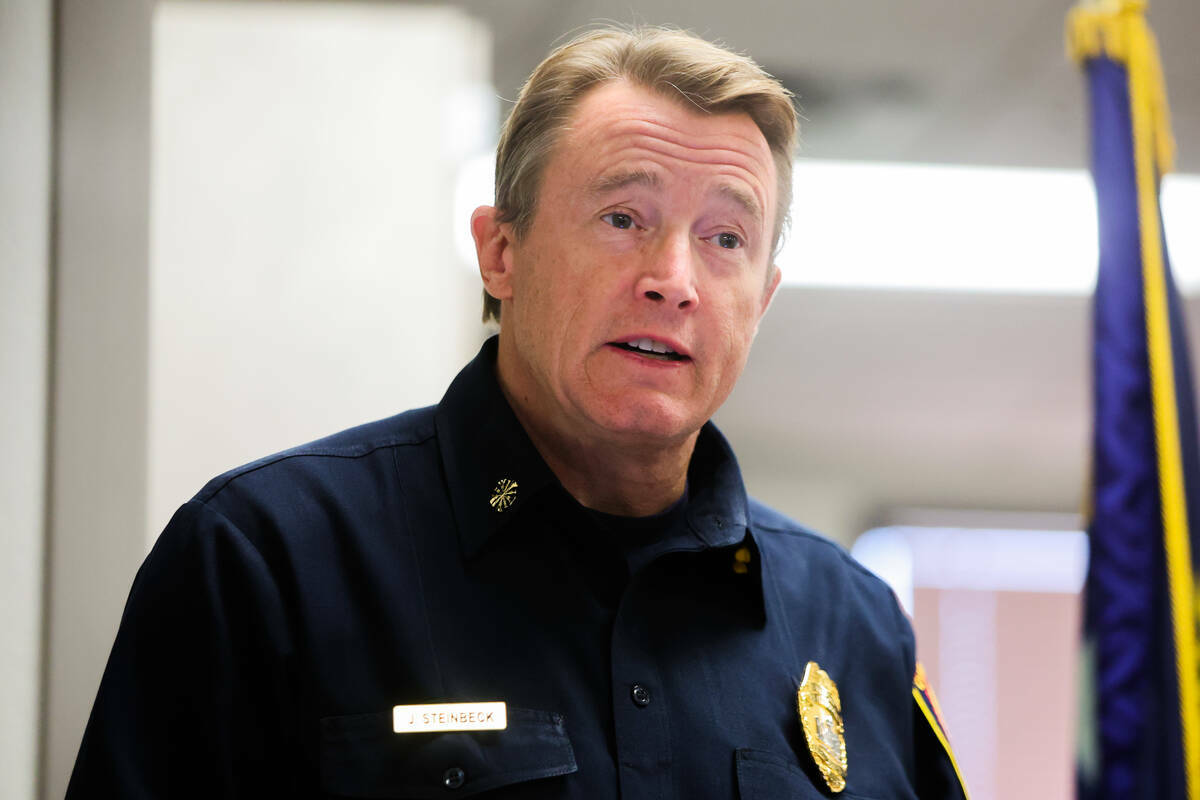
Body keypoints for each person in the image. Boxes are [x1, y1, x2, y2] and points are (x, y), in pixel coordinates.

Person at [67, 26, 968, 799]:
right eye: (623, 217)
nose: (675, 280)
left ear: (762, 299)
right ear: (501, 252)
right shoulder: (267, 561)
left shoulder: (853, 626)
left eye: (725, 238)